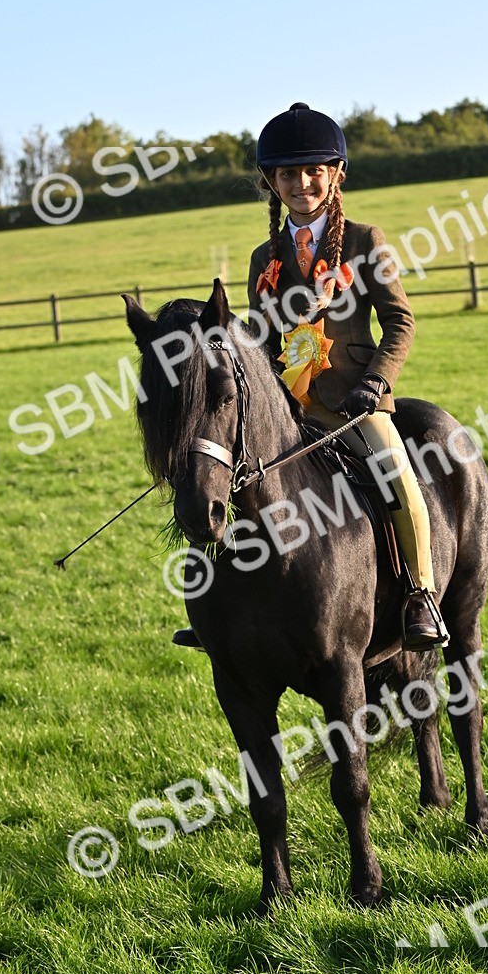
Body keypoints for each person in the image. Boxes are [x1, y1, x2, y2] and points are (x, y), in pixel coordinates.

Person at [173, 102, 447, 652]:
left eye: (314, 170)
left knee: (400, 481)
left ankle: (420, 595)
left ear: (336, 174)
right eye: (288, 174)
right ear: (271, 183)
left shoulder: (367, 241)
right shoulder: (262, 258)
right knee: (226, 476)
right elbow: (259, 340)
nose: (302, 183)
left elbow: (401, 321)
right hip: (286, 408)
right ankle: (222, 611)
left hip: (356, 403)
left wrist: (378, 383)